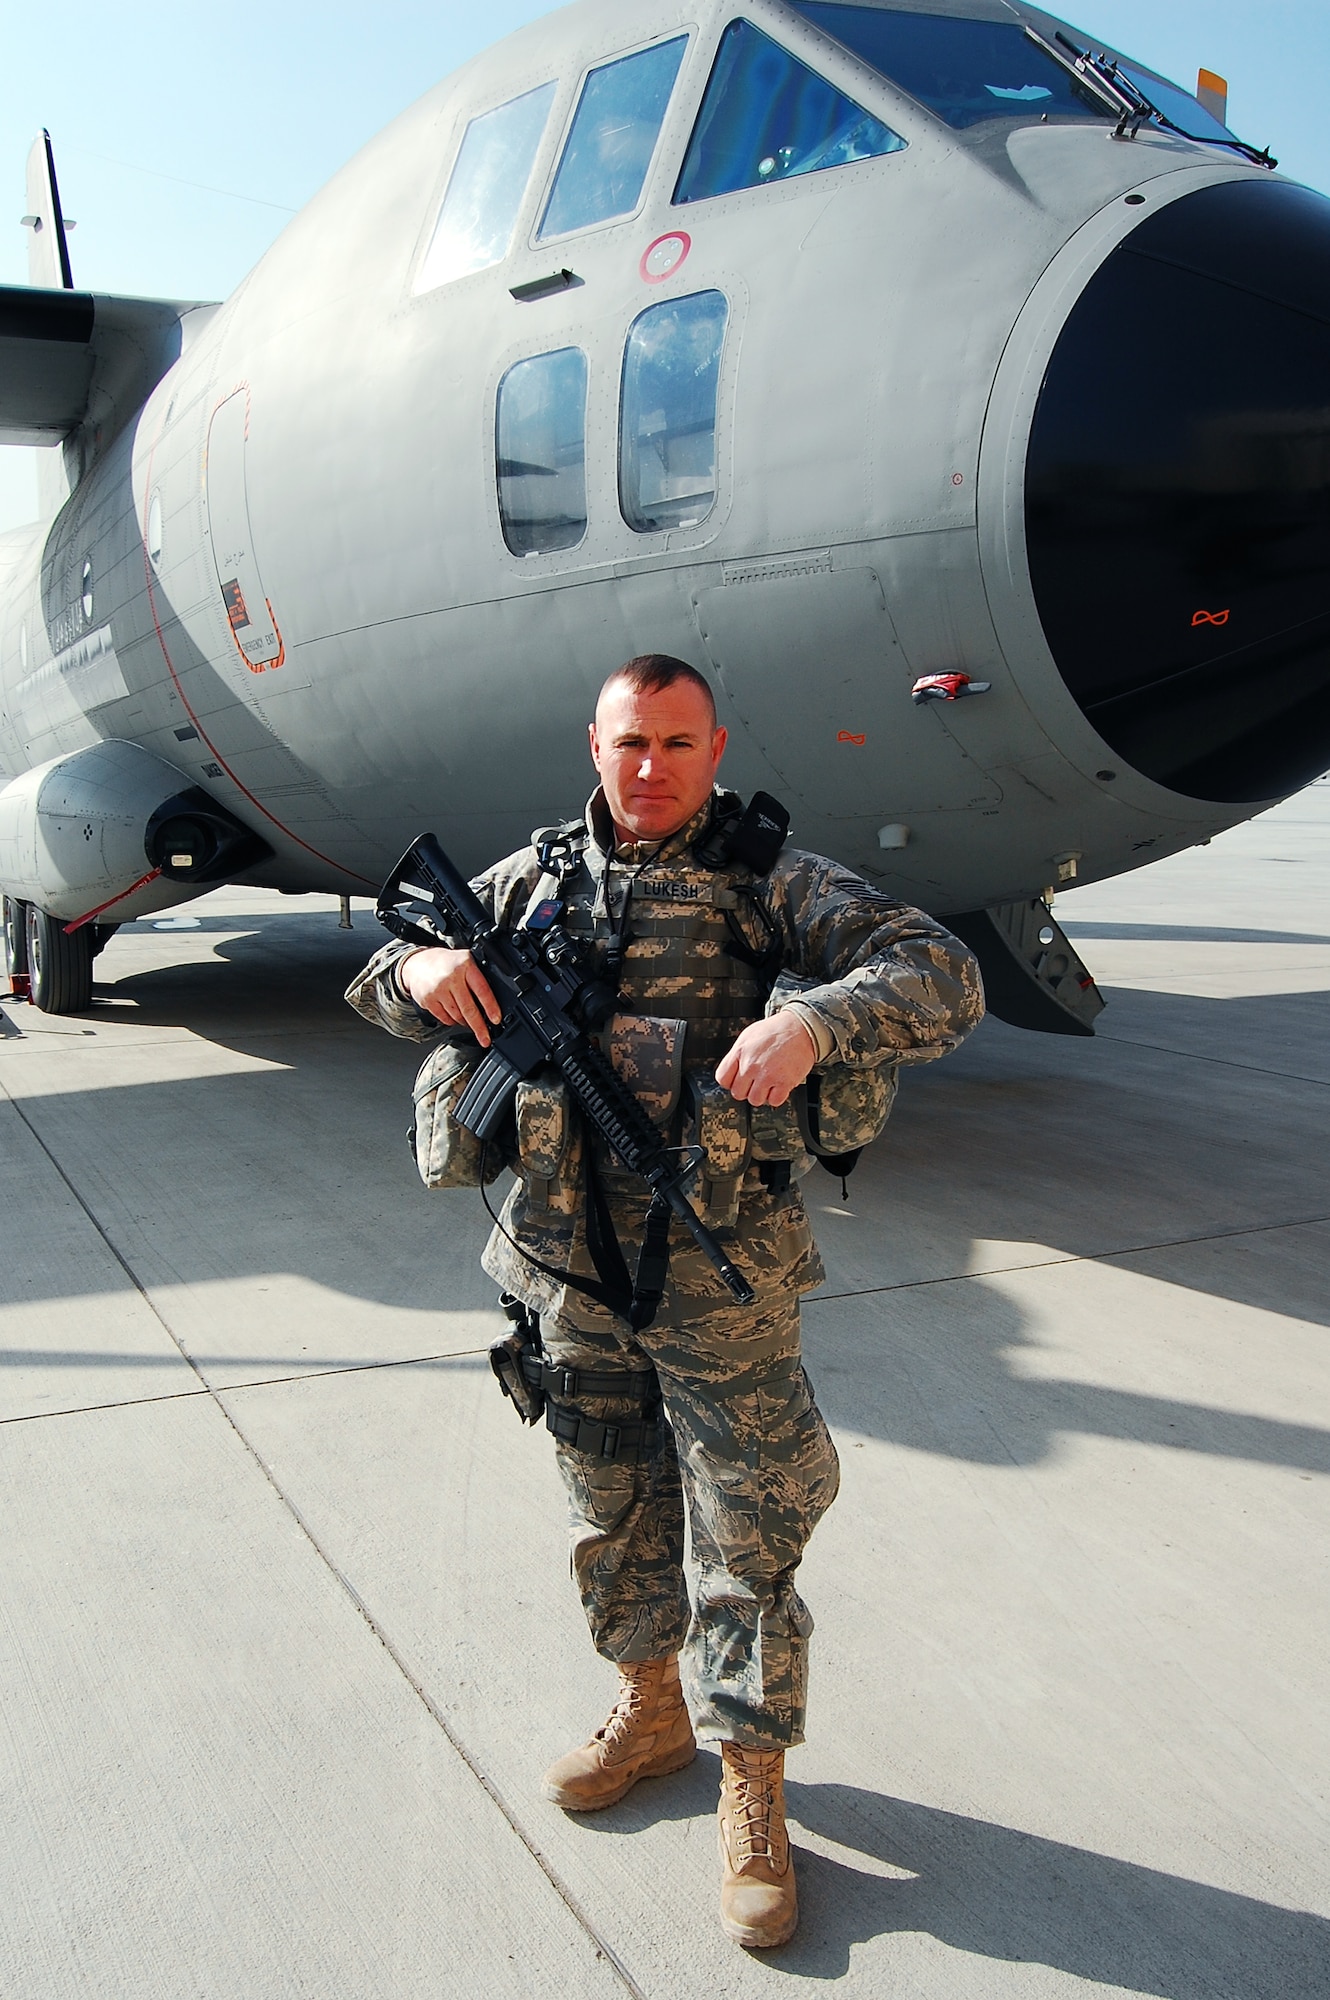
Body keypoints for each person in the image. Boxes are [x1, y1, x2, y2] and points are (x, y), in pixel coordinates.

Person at [347, 654, 982, 1949]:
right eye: (630, 743)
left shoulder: (771, 882)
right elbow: (380, 976)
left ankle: (752, 1785)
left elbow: (939, 973)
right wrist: (413, 980)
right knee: (608, 1506)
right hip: (562, 1266)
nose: (651, 769)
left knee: (748, 1531)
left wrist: (817, 1023)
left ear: (714, 745)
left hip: (718, 1276)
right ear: (594, 742)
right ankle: (650, 1711)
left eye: (677, 745)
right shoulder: (528, 882)